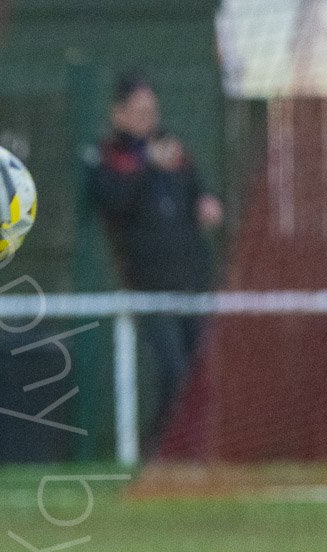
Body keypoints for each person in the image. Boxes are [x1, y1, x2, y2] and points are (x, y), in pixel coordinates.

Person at [90, 71, 223, 448]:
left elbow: (199, 192)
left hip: (190, 281)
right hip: (147, 286)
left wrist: (207, 203)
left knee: (197, 377)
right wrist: (147, 164)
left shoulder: (175, 152)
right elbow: (113, 201)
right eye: (139, 111)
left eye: (152, 111)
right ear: (119, 114)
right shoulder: (111, 157)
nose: (148, 119)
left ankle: (188, 451)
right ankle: (163, 450)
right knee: (173, 373)